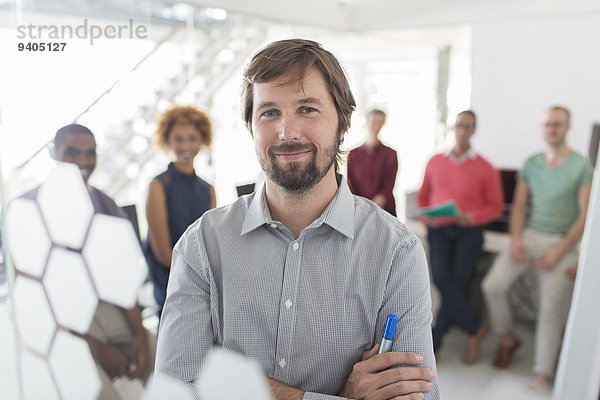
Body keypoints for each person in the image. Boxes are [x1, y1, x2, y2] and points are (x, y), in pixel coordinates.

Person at [156, 39, 439, 400]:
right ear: (251, 126)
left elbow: (420, 395)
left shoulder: (396, 251)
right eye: (269, 112)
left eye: (307, 109)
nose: (287, 132)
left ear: (344, 122)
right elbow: (176, 388)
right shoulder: (202, 245)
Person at [26, 124, 157, 400]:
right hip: (58, 322)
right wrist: (96, 347)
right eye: (72, 153)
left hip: (107, 309)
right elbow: (34, 301)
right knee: (97, 391)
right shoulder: (28, 210)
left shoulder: (105, 204)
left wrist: (139, 335)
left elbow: (122, 278)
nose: (83, 161)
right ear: (53, 153)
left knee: (170, 362)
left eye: (90, 153)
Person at [482, 106, 593, 391]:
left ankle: (542, 372)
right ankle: (508, 337)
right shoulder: (532, 163)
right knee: (492, 285)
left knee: (550, 309)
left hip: (561, 243)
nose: (551, 129)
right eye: (547, 124)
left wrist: (559, 253)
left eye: (557, 124)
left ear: (567, 127)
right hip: (529, 237)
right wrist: (517, 239)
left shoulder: (581, 166)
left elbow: (585, 216)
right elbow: (519, 207)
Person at [417, 110, 503, 363]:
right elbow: (423, 197)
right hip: (439, 230)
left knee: (459, 283)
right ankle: (475, 328)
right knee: (443, 279)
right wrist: (426, 217)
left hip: (469, 231)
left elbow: (495, 206)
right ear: (453, 129)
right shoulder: (435, 161)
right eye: (459, 126)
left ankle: (433, 344)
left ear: (474, 131)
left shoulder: (485, 167)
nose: (462, 130)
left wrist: (471, 217)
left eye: (468, 126)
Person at [143, 106, 216, 316]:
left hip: (202, 283)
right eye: (178, 139)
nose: (186, 145)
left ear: (202, 140)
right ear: (168, 141)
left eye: (192, 138)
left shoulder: (208, 189)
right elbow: (164, 254)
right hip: (170, 285)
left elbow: (211, 243)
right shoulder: (157, 186)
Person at [347, 109, 398, 216]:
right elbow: (350, 185)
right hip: (358, 211)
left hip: (385, 210)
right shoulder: (353, 154)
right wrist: (361, 208)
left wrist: (374, 206)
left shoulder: (390, 154)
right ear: (366, 122)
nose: (376, 126)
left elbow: (389, 185)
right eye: (374, 121)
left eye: (380, 122)